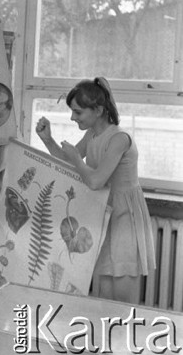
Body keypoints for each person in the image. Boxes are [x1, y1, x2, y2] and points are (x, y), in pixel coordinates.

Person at [35, 76, 155, 303]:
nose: (72, 117)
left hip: (124, 217)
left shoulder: (119, 138)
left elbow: (96, 181)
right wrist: (48, 140)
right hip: (103, 214)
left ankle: (122, 325)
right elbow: (68, 163)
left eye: (78, 112)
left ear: (98, 110)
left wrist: (76, 159)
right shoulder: (92, 134)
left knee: (122, 294)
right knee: (103, 294)